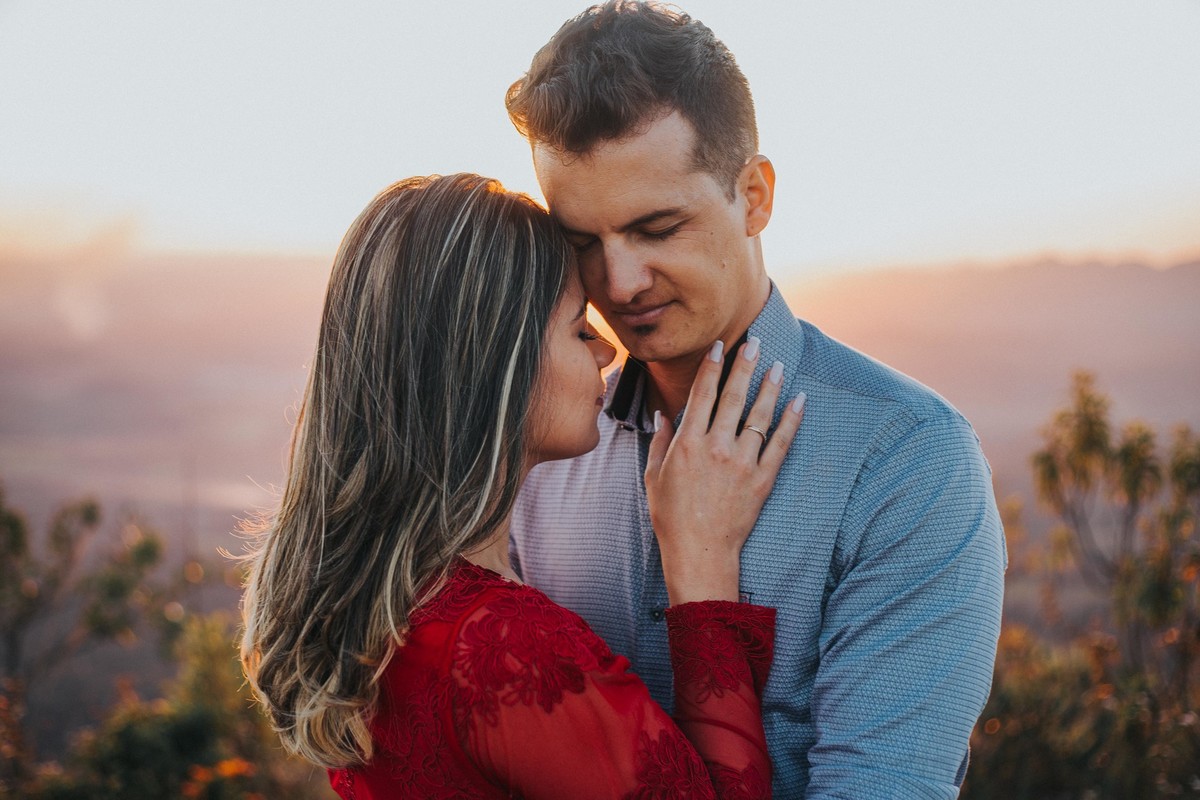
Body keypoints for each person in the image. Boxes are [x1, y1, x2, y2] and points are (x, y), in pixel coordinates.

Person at [505, 2, 1007, 797]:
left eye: (658, 227)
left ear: (756, 195)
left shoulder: (908, 462)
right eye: (581, 244)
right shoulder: (545, 452)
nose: (620, 283)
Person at [239, 173, 806, 798]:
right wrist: (702, 565)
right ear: (494, 366)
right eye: (578, 327)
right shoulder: (506, 648)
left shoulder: (375, 611)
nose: (608, 353)